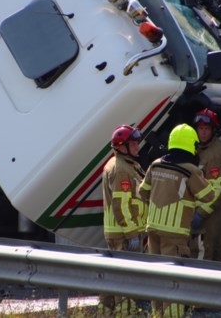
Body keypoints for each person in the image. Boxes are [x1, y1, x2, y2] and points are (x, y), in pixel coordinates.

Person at [138, 123, 215, 317]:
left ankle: (157, 315)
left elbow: (142, 192)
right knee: (174, 280)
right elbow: (209, 196)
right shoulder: (190, 170)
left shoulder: (155, 164)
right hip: (174, 234)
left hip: (153, 228)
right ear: (191, 145)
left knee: (157, 277)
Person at [98, 124, 147, 317]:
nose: (137, 146)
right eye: (133, 143)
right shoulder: (120, 169)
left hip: (120, 232)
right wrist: (132, 233)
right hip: (123, 234)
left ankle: (106, 312)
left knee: (114, 275)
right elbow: (122, 205)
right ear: (121, 146)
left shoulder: (127, 164)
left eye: (137, 142)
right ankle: (126, 314)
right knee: (125, 278)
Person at [190, 109, 221, 262]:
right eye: (200, 129)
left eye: (206, 129)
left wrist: (201, 214)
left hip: (215, 211)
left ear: (213, 130)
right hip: (210, 208)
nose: (203, 133)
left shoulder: (214, 153)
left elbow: (219, 190)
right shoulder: (200, 147)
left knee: (207, 251)